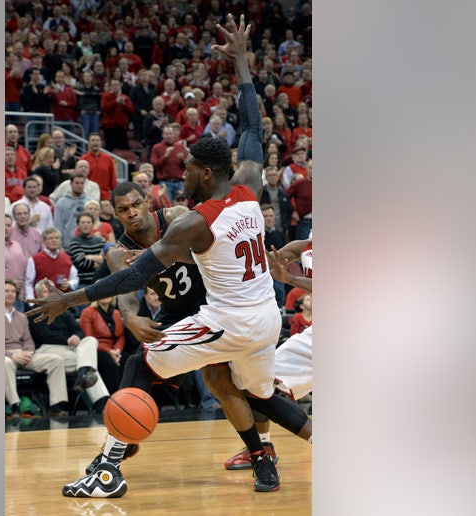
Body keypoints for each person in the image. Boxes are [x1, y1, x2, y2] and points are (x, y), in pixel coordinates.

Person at [29, 16, 294, 496]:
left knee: (234, 387)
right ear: (113, 212)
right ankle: (117, 455)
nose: (131, 214)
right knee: (159, 364)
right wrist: (240, 63)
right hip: (210, 314)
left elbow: (137, 276)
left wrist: (70, 299)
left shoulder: (182, 219)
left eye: (189, 168)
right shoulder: (240, 189)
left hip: (221, 312)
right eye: (121, 209)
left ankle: (257, 452)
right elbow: (254, 126)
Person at [223, 239, 313, 469]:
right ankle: (263, 447)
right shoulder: (307, 245)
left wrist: (290, 279)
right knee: (257, 379)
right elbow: (270, 259)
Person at [27, 280, 110, 412]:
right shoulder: (34, 313)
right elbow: (44, 335)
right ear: (38, 296)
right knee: (88, 363)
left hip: (70, 350)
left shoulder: (63, 311)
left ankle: (83, 374)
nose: (50, 295)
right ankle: (101, 402)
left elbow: (77, 329)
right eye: (46, 292)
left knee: (90, 340)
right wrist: (67, 340)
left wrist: (77, 336)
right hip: (47, 349)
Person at [4, 279, 70, 418]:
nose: (10, 294)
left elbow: (28, 340)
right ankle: (15, 406)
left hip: (23, 354)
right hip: (5, 356)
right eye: (6, 291)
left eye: (12, 291)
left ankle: (55, 406)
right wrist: (12, 355)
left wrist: (29, 351)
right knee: (6, 363)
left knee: (56, 360)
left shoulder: (22, 317)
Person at [79, 296, 126, 394]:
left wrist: (117, 351)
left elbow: (121, 337)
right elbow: (89, 339)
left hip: (114, 350)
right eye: (103, 293)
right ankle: (114, 399)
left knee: (128, 359)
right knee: (109, 363)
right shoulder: (87, 312)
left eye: (109, 293)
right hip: (96, 350)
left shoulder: (116, 313)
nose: (106, 295)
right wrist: (110, 351)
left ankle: (129, 396)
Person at [24, 227, 78, 298]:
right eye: (50, 238)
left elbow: (75, 278)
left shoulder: (66, 258)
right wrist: (32, 303)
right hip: (42, 303)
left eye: (56, 238)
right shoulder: (34, 259)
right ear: (43, 241)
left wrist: (69, 284)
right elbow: (29, 283)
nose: (54, 240)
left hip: (63, 302)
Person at [53, 173, 96, 249]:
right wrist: (60, 247)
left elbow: (96, 223)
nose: (79, 186)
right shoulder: (61, 203)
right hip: (69, 246)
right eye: (76, 183)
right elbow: (58, 226)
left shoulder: (90, 202)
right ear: (71, 184)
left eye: (81, 183)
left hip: (89, 245)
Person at [67, 212, 106, 288]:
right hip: (83, 284)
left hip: (100, 282)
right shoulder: (75, 242)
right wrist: (99, 259)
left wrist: (88, 257)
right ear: (78, 225)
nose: (85, 225)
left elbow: (107, 261)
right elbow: (81, 262)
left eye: (88, 222)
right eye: (83, 222)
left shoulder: (100, 241)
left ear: (93, 224)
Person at [149, 125, 188, 202]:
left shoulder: (180, 147)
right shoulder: (156, 147)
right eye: (166, 134)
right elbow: (154, 165)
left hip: (179, 182)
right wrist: (165, 156)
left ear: (173, 135)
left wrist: (182, 159)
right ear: (163, 135)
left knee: (182, 206)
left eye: (170, 133)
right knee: (166, 206)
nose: (169, 136)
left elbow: (188, 165)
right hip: (165, 183)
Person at [79, 133, 118, 201]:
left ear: (101, 143)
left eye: (97, 140)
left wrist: (116, 196)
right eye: (93, 140)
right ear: (88, 143)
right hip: (89, 197)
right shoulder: (83, 160)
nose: (95, 143)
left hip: (105, 198)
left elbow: (113, 180)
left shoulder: (108, 159)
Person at [261, 204, 287, 307]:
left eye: (271, 216)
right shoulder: (258, 235)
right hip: (264, 276)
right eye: (265, 216)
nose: (268, 219)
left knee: (280, 303)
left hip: (279, 276)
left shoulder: (279, 234)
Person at [4, 214, 27, 309]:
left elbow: (23, 270)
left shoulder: (17, 245)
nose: (5, 228)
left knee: (19, 322)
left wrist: (22, 291)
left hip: (18, 295)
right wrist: (10, 282)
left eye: (8, 226)